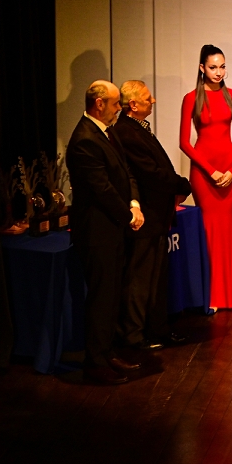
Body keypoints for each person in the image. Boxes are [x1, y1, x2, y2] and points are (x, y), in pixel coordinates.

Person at [66, 81, 145, 384]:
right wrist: (128, 216)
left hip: (113, 228)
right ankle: (95, 362)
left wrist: (134, 204)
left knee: (111, 296)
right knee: (101, 298)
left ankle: (107, 352)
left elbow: (126, 172)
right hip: (97, 232)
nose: (119, 109)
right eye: (114, 104)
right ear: (99, 104)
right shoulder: (84, 139)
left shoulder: (107, 132)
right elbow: (102, 189)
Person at [113, 80, 192, 350]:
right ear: (133, 105)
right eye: (148, 98)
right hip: (145, 217)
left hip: (156, 216)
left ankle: (156, 330)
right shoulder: (127, 132)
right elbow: (151, 174)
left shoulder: (137, 128)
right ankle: (134, 336)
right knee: (140, 280)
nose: (153, 101)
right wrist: (183, 184)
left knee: (155, 279)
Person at [179, 45, 232, 311]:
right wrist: (211, 170)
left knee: (226, 227)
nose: (219, 72)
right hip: (204, 173)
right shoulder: (191, 98)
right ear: (202, 68)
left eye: (222, 66)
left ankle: (229, 294)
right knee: (208, 229)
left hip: (229, 171)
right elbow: (184, 142)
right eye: (213, 67)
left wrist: (231, 170)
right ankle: (210, 296)